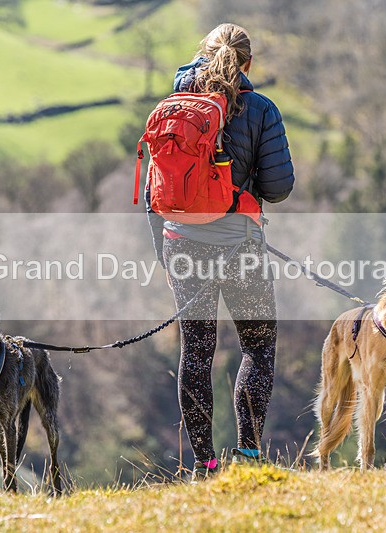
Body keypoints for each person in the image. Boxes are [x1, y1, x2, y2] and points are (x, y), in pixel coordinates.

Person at [145, 23, 295, 481]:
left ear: (201, 56)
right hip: (240, 248)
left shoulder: (170, 109)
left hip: (180, 245)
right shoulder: (261, 110)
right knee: (258, 347)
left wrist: (164, 257)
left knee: (196, 353)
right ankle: (248, 459)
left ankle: (205, 467)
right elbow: (279, 187)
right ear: (247, 63)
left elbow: (155, 192)